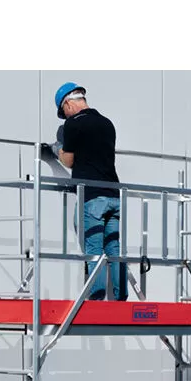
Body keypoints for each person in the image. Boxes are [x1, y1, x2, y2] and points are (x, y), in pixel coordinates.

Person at [45, 82, 127, 302]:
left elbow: (69, 161)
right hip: (114, 194)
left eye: (63, 111)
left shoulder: (73, 124)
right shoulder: (107, 123)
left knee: (93, 247)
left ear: (68, 104)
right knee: (114, 248)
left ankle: (97, 298)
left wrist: (56, 149)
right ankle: (121, 296)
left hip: (92, 197)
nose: (65, 115)